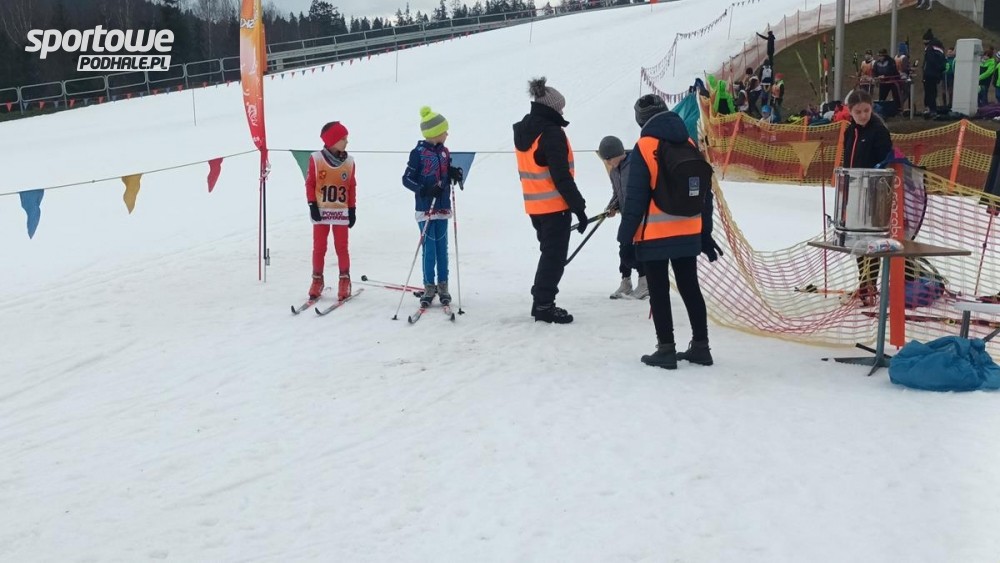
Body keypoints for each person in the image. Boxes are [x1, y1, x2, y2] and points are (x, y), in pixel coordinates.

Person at [618, 94, 722, 369]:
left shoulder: (644, 146)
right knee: (690, 288)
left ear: (641, 120)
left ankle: (665, 349)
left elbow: (635, 199)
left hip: (654, 234)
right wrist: (705, 232)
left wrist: (624, 240)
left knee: (659, 291)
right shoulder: (688, 141)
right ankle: (701, 346)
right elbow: (705, 194)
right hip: (688, 229)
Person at [513, 77, 588, 323]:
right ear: (552, 109)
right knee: (554, 258)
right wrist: (578, 207)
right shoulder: (551, 133)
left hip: (535, 206)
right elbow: (561, 176)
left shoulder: (525, 130)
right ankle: (544, 305)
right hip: (555, 206)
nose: (562, 112)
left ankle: (541, 299)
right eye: (560, 108)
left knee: (549, 255)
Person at [402, 106, 463, 308]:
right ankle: (429, 286)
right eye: (444, 131)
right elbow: (406, 179)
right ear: (435, 133)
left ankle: (443, 286)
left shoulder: (444, 152)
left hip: (442, 207)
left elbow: (444, 173)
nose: (447, 134)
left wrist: (452, 173)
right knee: (429, 249)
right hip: (426, 209)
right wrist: (425, 190)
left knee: (442, 249)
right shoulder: (418, 153)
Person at [841, 89, 894, 306]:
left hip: (874, 192)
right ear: (850, 112)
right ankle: (863, 282)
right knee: (857, 239)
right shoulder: (850, 132)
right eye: (858, 112)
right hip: (854, 190)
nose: (863, 115)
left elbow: (886, 162)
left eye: (866, 110)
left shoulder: (878, 131)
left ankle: (870, 284)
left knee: (872, 240)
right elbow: (847, 160)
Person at [306, 121, 357, 301]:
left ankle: (344, 280)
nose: (346, 142)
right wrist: (312, 204)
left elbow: (351, 186)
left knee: (341, 247)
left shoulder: (349, 161)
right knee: (319, 247)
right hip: (321, 211)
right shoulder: (316, 159)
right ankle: (317, 279)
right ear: (332, 140)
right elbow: (310, 183)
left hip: (340, 212)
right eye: (343, 139)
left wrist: (352, 208)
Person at [598, 135, 648, 300]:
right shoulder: (614, 171)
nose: (607, 163)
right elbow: (617, 194)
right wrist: (612, 207)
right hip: (626, 216)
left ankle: (644, 282)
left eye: (608, 159)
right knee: (623, 246)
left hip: (640, 216)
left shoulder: (635, 166)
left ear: (617, 154)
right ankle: (626, 281)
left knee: (636, 249)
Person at [921, 29, 946, 115]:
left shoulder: (930, 48)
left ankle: (931, 109)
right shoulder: (940, 47)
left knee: (929, 92)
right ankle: (933, 109)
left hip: (929, 73)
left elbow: (930, 61)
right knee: (933, 92)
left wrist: (925, 71)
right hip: (937, 74)